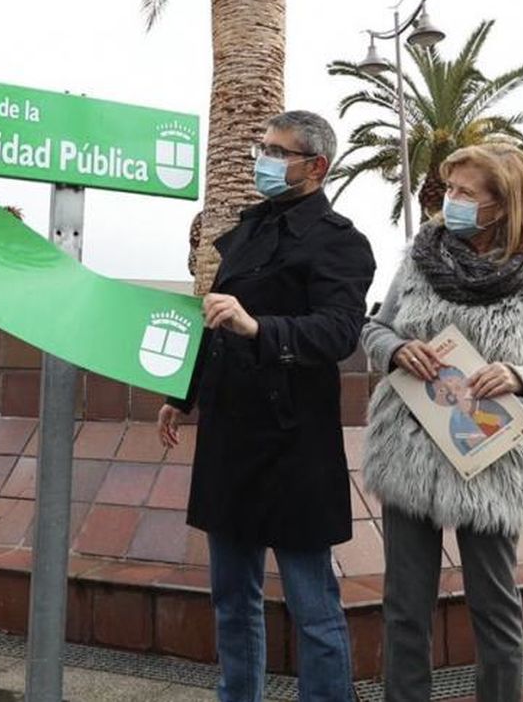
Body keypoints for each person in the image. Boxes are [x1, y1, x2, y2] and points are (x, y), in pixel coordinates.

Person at [158, 110, 376, 702]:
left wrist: (261, 328)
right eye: (263, 148)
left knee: (313, 604)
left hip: (295, 443)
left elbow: (337, 333)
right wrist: (184, 395)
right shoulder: (246, 230)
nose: (264, 161)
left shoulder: (341, 242)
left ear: (316, 166)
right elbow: (215, 321)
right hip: (230, 436)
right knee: (232, 597)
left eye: (278, 152)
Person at [361, 141, 523, 701]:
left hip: (491, 458)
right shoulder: (418, 260)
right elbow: (374, 329)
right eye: (449, 189)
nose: (448, 202)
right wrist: (394, 351)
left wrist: (519, 377)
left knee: (495, 607)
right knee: (405, 605)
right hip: (408, 450)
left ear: (504, 204)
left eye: (464, 192)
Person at [425, 366, 514, 453]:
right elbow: (462, 446)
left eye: (450, 380)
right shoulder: (455, 423)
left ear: (461, 378)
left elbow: (508, 421)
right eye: (441, 390)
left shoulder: (487, 402)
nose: (449, 388)